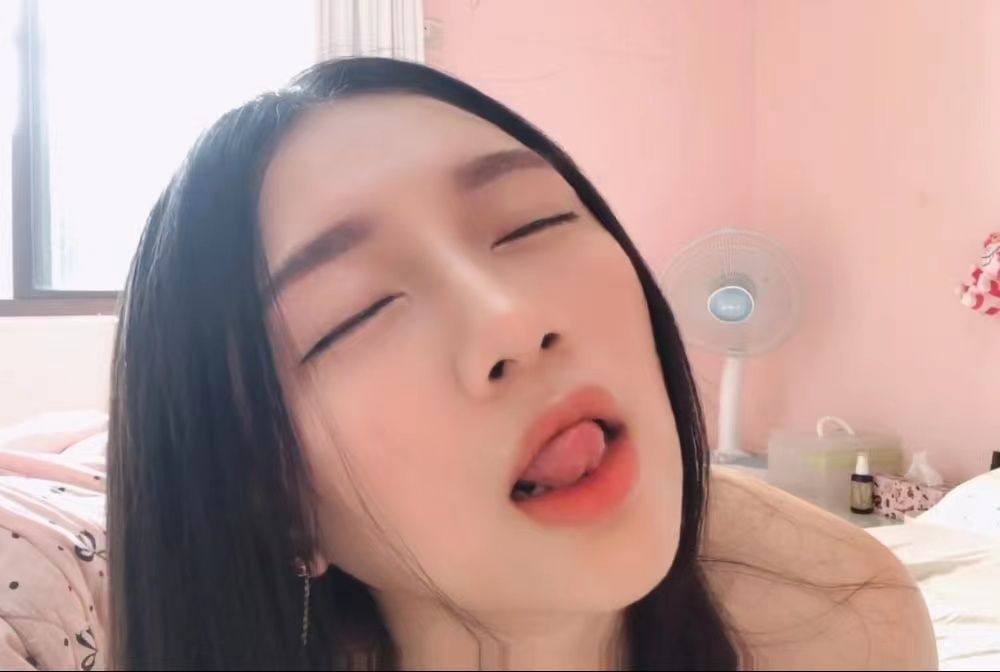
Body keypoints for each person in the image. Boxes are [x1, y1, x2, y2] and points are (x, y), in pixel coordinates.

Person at [107, 57, 935, 671]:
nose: (512, 321)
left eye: (531, 222)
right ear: (273, 500)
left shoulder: (847, 618)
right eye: (357, 312)